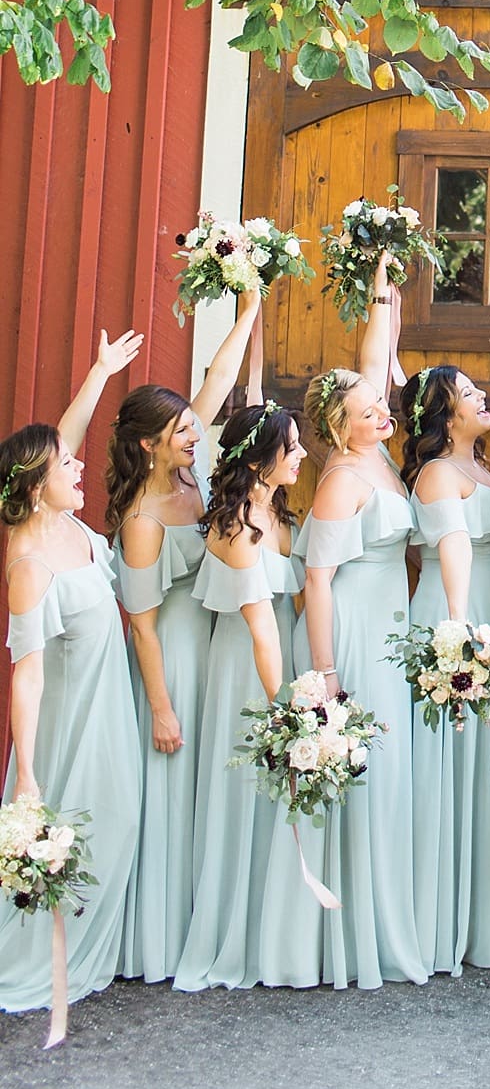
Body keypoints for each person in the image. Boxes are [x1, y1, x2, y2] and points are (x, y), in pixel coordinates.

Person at [110, 291, 264, 983]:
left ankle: (211, 915)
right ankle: (163, 939)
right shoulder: (142, 518)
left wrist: (252, 298)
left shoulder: (192, 474)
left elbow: (220, 382)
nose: (194, 435)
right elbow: (140, 625)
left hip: (210, 640)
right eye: (180, 430)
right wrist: (162, 705)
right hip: (171, 653)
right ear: (148, 442)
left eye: (190, 428)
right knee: (173, 788)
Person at [0, 329, 146, 1016]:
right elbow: (25, 676)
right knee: (84, 826)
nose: (80, 466)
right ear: (35, 486)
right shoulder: (30, 565)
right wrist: (28, 773)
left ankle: (93, 952)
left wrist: (98, 371)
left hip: (110, 702)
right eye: (66, 466)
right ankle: (45, 960)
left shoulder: (67, 523)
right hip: (72, 723)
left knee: (116, 824)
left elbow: (66, 430)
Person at [290, 274, 427, 988]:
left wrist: (383, 291)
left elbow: (374, 357)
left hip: (388, 627)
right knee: (370, 777)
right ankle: (353, 932)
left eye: (378, 404)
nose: (381, 410)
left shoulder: (371, 451)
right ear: (338, 426)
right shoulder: (342, 476)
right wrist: (324, 673)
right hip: (351, 635)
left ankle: (385, 914)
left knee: (391, 775)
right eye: (366, 409)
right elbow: (317, 579)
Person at [173, 399, 311, 993]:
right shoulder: (237, 527)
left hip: (279, 655)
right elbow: (258, 629)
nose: (303, 455)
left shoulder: (274, 512)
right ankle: (239, 935)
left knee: (273, 804)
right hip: (250, 671)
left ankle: (275, 932)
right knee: (250, 793)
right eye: (294, 447)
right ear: (261, 458)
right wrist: (284, 711)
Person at [402, 361, 490, 977]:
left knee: (483, 771)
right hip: (459, 621)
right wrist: (458, 637)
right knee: (451, 768)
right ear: (446, 417)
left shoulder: (482, 470)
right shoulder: (438, 475)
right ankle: (437, 923)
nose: (483, 396)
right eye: (469, 393)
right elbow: (449, 552)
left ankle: (481, 921)